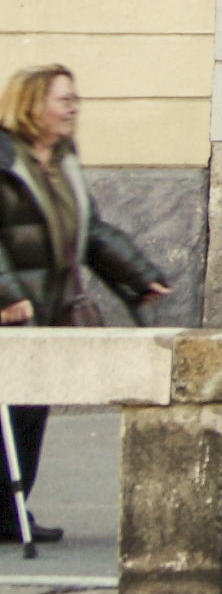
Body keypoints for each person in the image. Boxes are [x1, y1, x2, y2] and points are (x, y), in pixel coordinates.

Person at [0, 65, 160, 553]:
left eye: (74, 99)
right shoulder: (3, 158)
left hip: (44, 306)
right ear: (32, 105)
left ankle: (10, 512)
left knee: (28, 409)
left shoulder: (61, 160)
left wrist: (137, 275)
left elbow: (89, 230)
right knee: (7, 412)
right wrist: (4, 295)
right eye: (63, 99)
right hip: (11, 306)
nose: (73, 108)